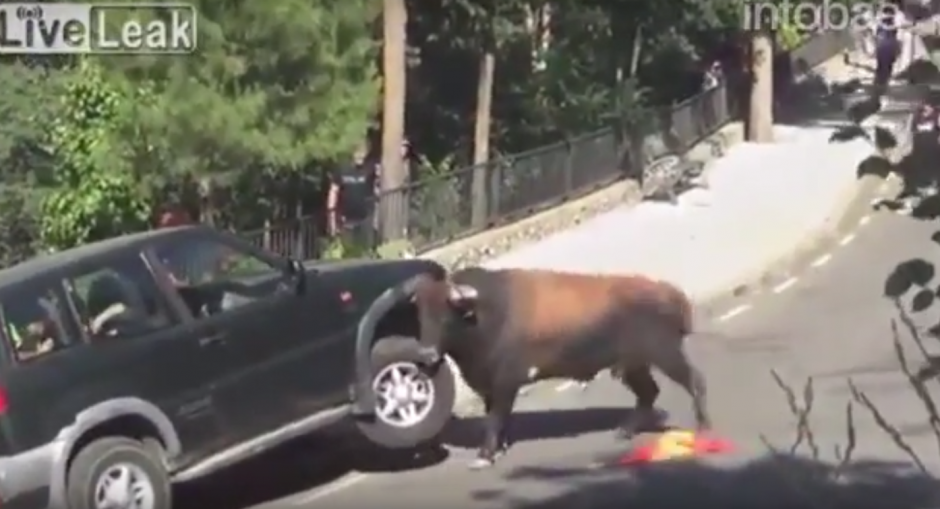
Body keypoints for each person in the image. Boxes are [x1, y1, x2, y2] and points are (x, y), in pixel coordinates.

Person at [325, 146, 380, 246]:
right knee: (348, 250)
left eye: (362, 153)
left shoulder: (370, 169)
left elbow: (378, 187)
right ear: (352, 154)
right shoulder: (343, 169)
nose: (360, 156)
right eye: (357, 153)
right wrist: (331, 216)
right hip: (346, 219)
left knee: (366, 248)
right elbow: (333, 191)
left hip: (366, 217)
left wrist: (377, 214)